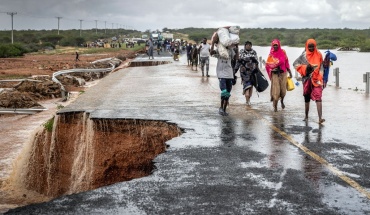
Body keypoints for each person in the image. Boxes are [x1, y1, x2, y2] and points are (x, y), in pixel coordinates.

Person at [293, 39, 325, 124]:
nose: (311, 48)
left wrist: (321, 77)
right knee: (307, 98)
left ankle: (320, 118)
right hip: (307, 79)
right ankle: (306, 116)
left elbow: (321, 66)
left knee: (318, 97)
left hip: (317, 79)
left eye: (312, 46)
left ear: (315, 46)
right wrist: (306, 68)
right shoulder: (303, 56)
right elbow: (295, 64)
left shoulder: (319, 54)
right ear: (306, 46)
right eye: (309, 46)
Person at [211, 41, 239, 116]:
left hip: (229, 73)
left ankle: (224, 109)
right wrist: (213, 44)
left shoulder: (231, 50)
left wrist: (237, 47)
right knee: (224, 91)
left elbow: (237, 58)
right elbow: (211, 53)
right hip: (221, 73)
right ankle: (221, 107)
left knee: (228, 93)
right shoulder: (219, 49)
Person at [265, 39, 292, 112]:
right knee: (276, 92)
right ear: (272, 46)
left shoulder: (283, 52)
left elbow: (286, 61)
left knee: (283, 91)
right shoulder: (271, 54)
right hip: (275, 75)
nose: (275, 46)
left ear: (279, 45)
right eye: (274, 45)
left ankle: (282, 101)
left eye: (276, 45)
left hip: (283, 73)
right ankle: (275, 107)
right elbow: (267, 65)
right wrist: (272, 70)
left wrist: (289, 71)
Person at [235, 41, 258, 106]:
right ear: (245, 45)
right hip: (244, 73)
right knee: (247, 85)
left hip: (252, 72)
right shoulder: (242, 52)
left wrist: (257, 70)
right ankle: (247, 100)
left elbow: (256, 62)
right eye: (247, 45)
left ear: (251, 46)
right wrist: (235, 70)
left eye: (249, 45)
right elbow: (238, 61)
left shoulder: (254, 52)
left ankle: (248, 99)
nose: (248, 46)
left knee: (251, 86)